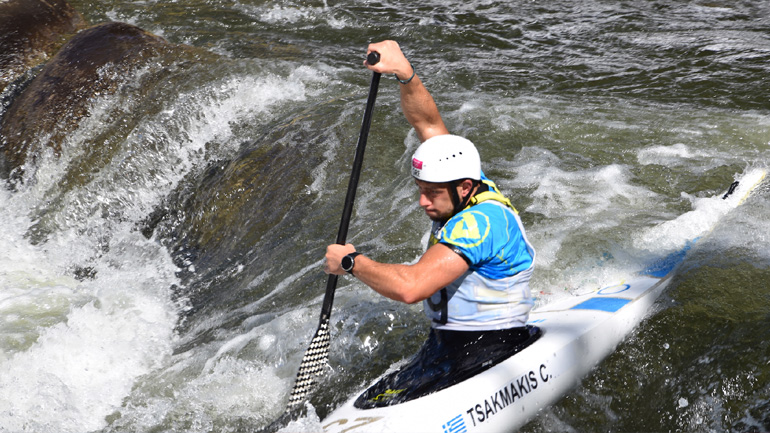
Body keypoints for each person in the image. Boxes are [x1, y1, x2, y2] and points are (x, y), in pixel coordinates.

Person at [324, 40, 540, 407]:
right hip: (443, 346)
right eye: (420, 189)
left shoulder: (481, 223)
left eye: (432, 193)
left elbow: (412, 288)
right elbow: (428, 123)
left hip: (492, 348)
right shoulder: (462, 180)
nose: (423, 201)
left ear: (464, 187)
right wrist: (404, 72)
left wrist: (350, 262)